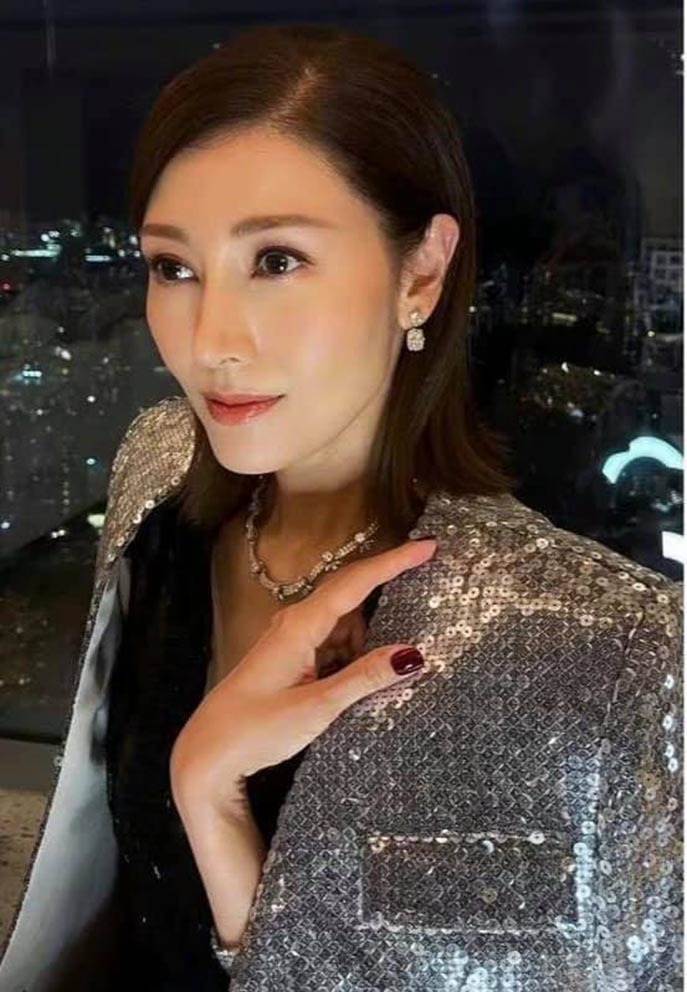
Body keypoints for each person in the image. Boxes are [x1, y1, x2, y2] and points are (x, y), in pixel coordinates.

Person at [0, 22, 682, 992]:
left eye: (277, 259)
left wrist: (212, 799)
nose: (210, 339)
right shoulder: (158, 476)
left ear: (422, 272)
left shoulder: (605, 650)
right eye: (173, 267)